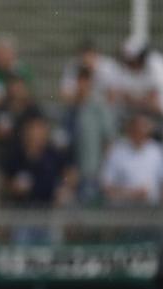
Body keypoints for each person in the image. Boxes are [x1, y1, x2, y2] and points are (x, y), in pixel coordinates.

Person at [63, 66, 117, 204]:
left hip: (94, 169)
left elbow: (109, 139)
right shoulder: (71, 109)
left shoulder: (99, 107)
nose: (82, 85)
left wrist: (104, 169)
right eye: (80, 81)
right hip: (74, 169)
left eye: (85, 81)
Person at [101, 113, 163, 205]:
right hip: (123, 211)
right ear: (129, 131)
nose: (140, 135)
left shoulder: (155, 151)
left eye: (143, 131)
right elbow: (106, 187)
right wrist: (131, 194)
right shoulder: (116, 151)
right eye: (136, 131)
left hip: (152, 211)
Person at [59, 39, 120, 104]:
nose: (86, 61)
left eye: (89, 56)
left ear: (95, 55)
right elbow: (65, 95)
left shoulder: (108, 67)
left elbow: (115, 95)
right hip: (80, 106)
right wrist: (80, 93)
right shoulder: (73, 66)